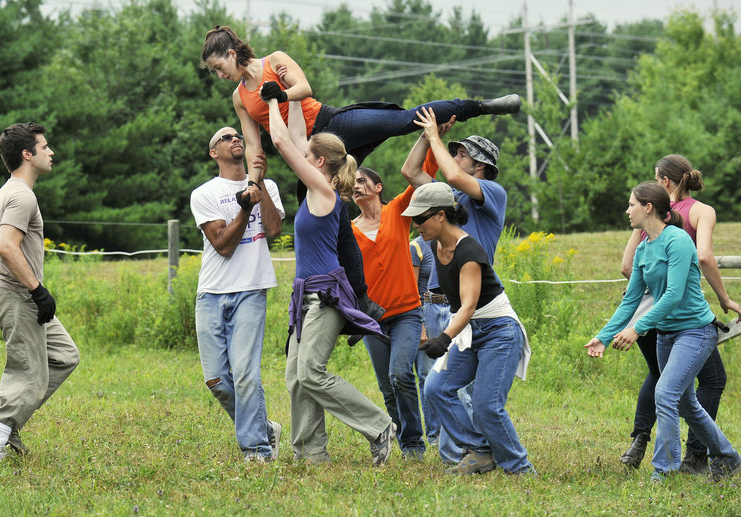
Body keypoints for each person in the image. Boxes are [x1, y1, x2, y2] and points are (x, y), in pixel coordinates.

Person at [199, 25, 521, 195]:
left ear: (231, 53)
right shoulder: (240, 97)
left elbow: (305, 89)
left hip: (331, 123)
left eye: (218, 67)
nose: (219, 75)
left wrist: (279, 94)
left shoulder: (275, 61)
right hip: (306, 151)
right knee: (319, 206)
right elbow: (255, 149)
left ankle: (480, 106)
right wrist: (253, 184)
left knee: (406, 119)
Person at [264, 90, 396, 466]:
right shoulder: (313, 190)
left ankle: (379, 426)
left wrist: (271, 103)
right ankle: (311, 453)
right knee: (295, 375)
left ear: (319, 162)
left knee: (310, 371)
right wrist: (288, 102)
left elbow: (279, 141)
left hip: (326, 295)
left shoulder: (324, 192)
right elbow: (292, 139)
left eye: (307, 156)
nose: (300, 157)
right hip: (305, 295)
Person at [585, 181, 741, 482]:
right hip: (667, 335)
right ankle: (727, 456)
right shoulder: (643, 249)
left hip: (695, 331)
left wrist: (637, 329)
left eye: (632, 204)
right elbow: (631, 300)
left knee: (665, 393)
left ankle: (663, 471)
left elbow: (672, 295)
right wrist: (604, 336)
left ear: (648, 208)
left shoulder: (678, 241)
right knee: (685, 403)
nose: (627, 210)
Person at [401, 107, 510, 465]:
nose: (454, 156)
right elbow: (411, 171)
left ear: (479, 166)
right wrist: (425, 134)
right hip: (441, 303)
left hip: (475, 305)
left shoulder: (492, 192)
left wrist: (436, 136)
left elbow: (446, 170)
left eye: (462, 153)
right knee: (440, 386)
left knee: (476, 394)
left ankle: (488, 453)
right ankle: (461, 458)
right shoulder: (449, 200)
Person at [403, 182, 534, 475]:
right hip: (470, 331)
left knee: (487, 406)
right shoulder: (435, 245)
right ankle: (481, 452)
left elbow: (468, 305)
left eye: (420, 219)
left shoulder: (469, 250)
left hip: (499, 331)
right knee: (437, 389)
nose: (416, 226)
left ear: (440, 216)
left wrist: (443, 338)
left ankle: (520, 469)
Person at [0, 122, 80, 459]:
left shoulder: (6, 192)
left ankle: (4, 421)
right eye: (45, 147)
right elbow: (6, 248)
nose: (51, 152)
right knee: (30, 374)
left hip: (11, 291)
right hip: (18, 294)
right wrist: (36, 290)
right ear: (27, 154)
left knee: (65, 355)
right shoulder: (21, 196)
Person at [189, 126, 284, 462]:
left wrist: (259, 189)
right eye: (226, 138)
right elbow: (222, 246)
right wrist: (244, 207)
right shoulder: (204, 193)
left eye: (238, 137)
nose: (235, 140)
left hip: (251, 289)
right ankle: (265, 429)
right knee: (216, 380)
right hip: (212, 292)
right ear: (214, 152)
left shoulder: (266, 187)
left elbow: (273, 229)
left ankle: (257, 450)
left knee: (245, 374)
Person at [351, 166, 426, 460]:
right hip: (372, 321)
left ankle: (414, 444)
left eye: (362, 180)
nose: (356, 186)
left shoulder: (397, 211)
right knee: (387, 385)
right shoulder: (349, 229)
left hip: (407, 313)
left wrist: (431, 134)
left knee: (401, 375)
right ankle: (403, 440)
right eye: (352, 182)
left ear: (378, 186)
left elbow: (421, 172)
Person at [410, 235, 440, 446]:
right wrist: (419, 325)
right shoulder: (416, 247)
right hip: (426, 312)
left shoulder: (453, 241)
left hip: (451, 310)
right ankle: (435, 434)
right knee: (427, 374)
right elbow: (411, 289)